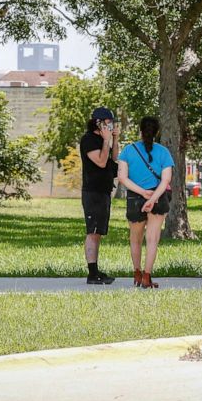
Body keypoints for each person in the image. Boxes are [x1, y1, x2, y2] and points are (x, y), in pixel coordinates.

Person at [118, 117, 174, 289]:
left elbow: (122, 178)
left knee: (135, 239)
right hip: (158, 197)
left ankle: (137, 272)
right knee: (152, 239)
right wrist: (152, 199)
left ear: (140, 131)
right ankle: (147, 277)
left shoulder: (127, 151)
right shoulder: (164, 152)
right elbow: (165, 181)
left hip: (135, 199)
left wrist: (142, 193)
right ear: (157, 132)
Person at [79, 107, 120, 285]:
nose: (110, 125)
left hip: (104, 191)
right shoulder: (89, 140)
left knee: (98, 233)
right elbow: (102, 162)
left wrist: (114, 139)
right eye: (108, 122)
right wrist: (106, 141)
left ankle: (96, 271)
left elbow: (113, 159)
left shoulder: (104, 140)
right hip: (93, 192)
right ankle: (92, 273)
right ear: (98, 122)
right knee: (93, 232)